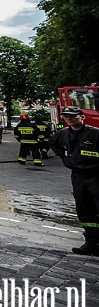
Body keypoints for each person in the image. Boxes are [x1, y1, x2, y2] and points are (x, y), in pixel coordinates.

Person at [51, 106, 99, 256]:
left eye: (73, 116)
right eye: (66, 116)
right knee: (84, 210)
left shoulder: (95, 133)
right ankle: (92, 243)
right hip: (78, 177)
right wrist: (65, 158)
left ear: (82, 117)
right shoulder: (63, 133)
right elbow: (53, 144)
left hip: (96, 176)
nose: (69, 119)